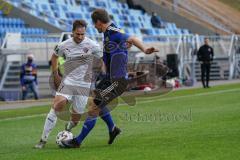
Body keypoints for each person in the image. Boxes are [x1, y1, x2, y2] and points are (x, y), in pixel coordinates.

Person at [61, 8, 158, 148]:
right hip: (109, 78)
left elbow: (132, 38)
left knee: (94, 106)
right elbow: (121, 46)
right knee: (95, 100)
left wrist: (145, 49)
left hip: (117, 81)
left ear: (99, 22)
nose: (94, 27)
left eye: (95, 24)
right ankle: (113, 129)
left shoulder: (114, 31)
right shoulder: (108, 33)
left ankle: (78, 141)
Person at [34, 19, 119, 149]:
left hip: (84, 85)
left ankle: (68, 129)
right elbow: (54, 56)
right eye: (77, 34)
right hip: (68, 81)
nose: (80, 37)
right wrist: (56, 74)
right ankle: (42, 140)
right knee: (58, 104)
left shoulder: (92, 45)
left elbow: (104, 58)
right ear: (72, 32)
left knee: (75, 120)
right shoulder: (63, 45)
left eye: (82, 34)